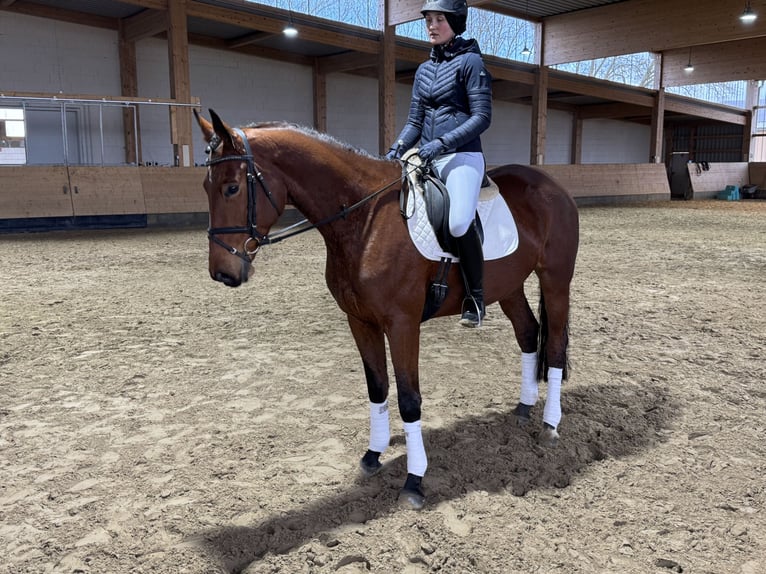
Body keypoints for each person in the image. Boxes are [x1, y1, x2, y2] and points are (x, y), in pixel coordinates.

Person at [386, 0, 492, 328]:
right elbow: (415, 121)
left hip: (462, 156)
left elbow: (482, 117)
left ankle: (475, 296)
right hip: (427, 154)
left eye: (438, 20)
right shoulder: (423, 70)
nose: (431, 26)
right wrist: (396, 148)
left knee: (459, 222)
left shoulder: (472, 63)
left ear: (455, 23)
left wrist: (442, 143)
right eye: (428, 20)